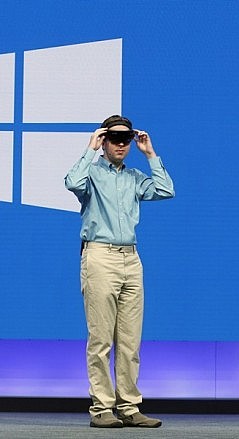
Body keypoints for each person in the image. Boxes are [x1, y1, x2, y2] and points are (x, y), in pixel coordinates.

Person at [65, 115, 174, 428]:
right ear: (104, 140)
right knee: (100, 339)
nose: (121, 144)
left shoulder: (135, 177)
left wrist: (150, 154)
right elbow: (72, 182)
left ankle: (129, 406)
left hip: (131, 258)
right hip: (99, 256)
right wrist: (90, 149)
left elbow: (166, 190)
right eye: (114, 138)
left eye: (126, 139)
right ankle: (101, 408)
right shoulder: (92, 174)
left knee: (130, 340)